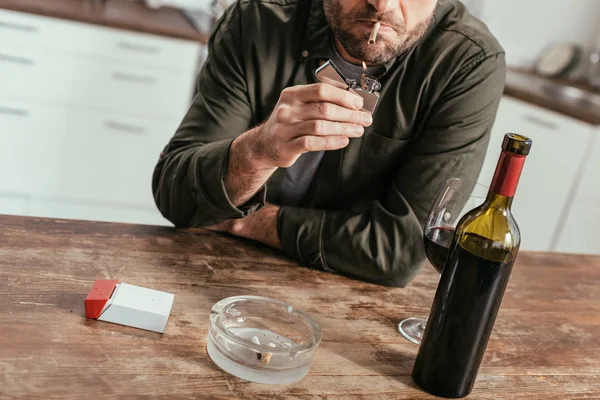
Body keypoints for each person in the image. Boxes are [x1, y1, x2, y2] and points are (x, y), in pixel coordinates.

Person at [152, 0, 506, 287]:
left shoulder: (468, 61)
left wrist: (244, 221)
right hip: (209, 270)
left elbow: (397, 252)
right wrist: (257, 150)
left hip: (349, 299)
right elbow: (177, 197)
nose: (381, 5)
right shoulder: (258, 19)